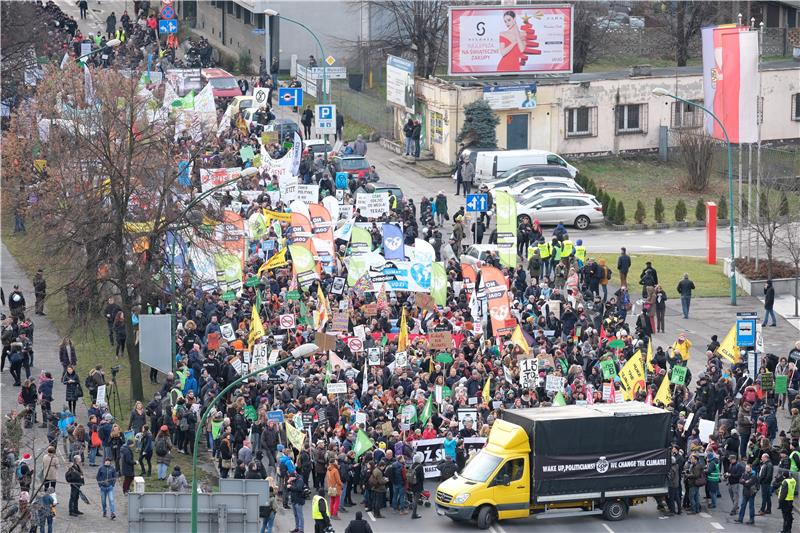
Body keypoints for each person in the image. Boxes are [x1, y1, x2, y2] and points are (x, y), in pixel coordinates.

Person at [409, 452, 425, 519]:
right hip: (418, 485)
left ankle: (413, 512)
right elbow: (422, 478)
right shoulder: (420, 467)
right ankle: (414, 514)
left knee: (413, 498)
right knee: (416, 500)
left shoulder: (411, 465)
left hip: (412, 484)